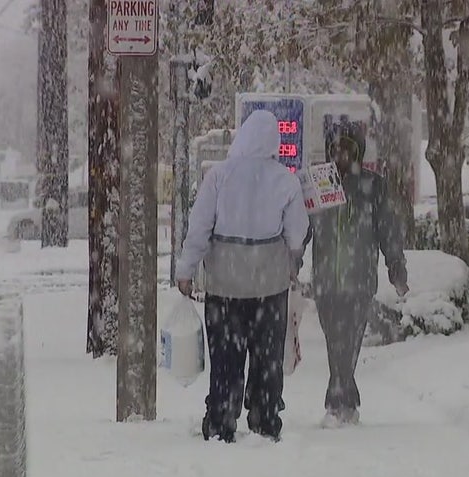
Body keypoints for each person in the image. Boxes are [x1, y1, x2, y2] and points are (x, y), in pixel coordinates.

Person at [175, 109, 310, 443]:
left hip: (225, 285)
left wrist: (186, 270)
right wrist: (293, 260)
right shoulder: (286, 180)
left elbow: (200, 227)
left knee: (226, 357)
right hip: (270, 286)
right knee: (267, 358)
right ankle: (264, 417)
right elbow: (296, 235)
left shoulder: (219, 176)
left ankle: (222, 417)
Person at [307, 121, 409, 427]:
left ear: (357, 151)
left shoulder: (373, 186)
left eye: (347, 148)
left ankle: (336, 401)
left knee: (349, 340)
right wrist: (292, 256)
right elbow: (303, 226)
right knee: (332, 339)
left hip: (360, 279)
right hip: (326, 279)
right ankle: (346, 399)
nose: (340, 154)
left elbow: (388, 229)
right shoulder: (320, 183)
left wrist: (396, 265)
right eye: (335, 148)